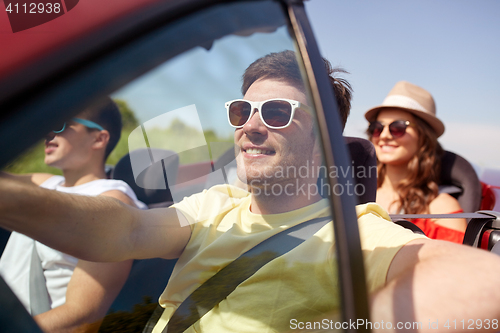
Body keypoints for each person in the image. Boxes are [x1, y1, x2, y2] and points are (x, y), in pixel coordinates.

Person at [0, 51, 499, 332]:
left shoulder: (354, 233)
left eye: (278, 113)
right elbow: (124, 230)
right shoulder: (214, 204)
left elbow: (487, 287)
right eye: (242, 111)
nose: (250, 127)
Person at [0, 97, 146, 332]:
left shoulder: (112, 203)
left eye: (60, 124)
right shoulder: (47, 182)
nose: (49, 132)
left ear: (99, 138)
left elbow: (81, 317)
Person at [365, 81, 467, 243]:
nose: (384, 135)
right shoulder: (352, 190)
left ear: (424, 137)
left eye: (398, 127)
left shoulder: (443, 211)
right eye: (377, 127)